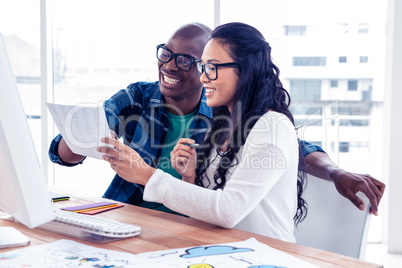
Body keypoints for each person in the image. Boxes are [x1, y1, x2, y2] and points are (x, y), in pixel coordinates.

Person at [48, 22, 385, 216]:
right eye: (165, 53)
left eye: (186, 61)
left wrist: (335, 171)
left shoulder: (233, 118)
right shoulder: (140, 96)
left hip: (196, 227)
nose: (168, 66)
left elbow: (294, 147)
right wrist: (78, 142)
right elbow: (73, 146)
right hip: (140, 216)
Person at [98, 22, 304, 242]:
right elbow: (205, 212)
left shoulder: (273, 127)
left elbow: (228, 211)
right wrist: (190, 177)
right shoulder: (224, 125)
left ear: (245, 70)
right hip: (222, 251)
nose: (204, 77)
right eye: (203, 67)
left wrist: (146, 176)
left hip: (267, 256)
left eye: (213, 68)